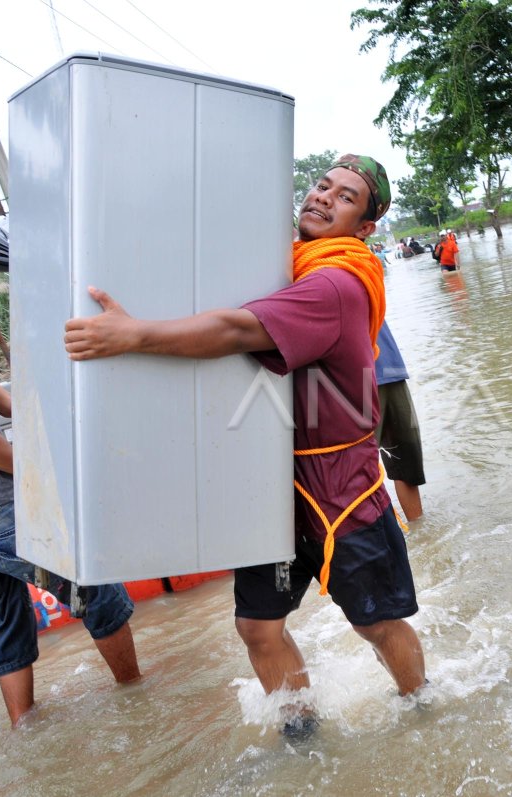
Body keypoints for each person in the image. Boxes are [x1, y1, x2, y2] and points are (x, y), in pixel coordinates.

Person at [63, 154, 426, 736]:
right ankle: (301, 734)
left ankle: (422, 707)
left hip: (342, 489)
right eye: (322, 185)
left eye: (346, 197)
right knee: (259, 628)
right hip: (271, 484)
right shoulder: (290, 269)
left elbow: (236, 330)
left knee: (375, 624)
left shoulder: (334, 283)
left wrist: (134, 335)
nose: (325, 198)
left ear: (365, 226)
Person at [0, 225, 141, 727]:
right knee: (94, 587)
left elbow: (0, 398)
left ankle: (23, 729)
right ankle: (138, 696)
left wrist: (53, 409)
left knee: (4, 623)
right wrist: (43, 473)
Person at [374, 322, 425, 521]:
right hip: (348, 376)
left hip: (389, 367)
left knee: (406, 460)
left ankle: (420, 533)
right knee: (357, 472)